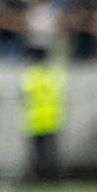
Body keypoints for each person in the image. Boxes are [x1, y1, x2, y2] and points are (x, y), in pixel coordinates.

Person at [20, 51, 64, 183]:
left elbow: (23, 94)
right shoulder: (53, 75)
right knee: (51, 153)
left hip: (35, 120)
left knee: (37, 155)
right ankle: (52, 179)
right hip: (51, 119)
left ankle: (39, 179)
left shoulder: (30, 75)